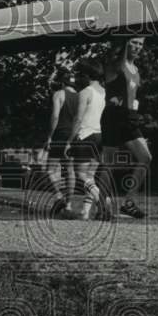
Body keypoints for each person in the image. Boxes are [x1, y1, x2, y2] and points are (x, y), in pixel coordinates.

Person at [97, 36, 150, 219]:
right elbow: (115, 59)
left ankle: (128, 203)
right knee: (109, 163)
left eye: (140, 44)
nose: (137, 46)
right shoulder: (115, 65)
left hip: (130, 117)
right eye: (134, 42)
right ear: (126, 42)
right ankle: (101, 208)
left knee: (145, 158)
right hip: (113, 115)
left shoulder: (136, 70)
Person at [41, 64, 80, 217]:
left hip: (60, 134)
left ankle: (59, 197)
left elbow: (55, 116)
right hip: (73, 135)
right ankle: (68, 206)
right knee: (70, 171)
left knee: (49, 170)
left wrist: (49, 136)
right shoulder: (80, 96)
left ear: (62, 83)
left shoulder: (59, 94)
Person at [69, 61, 106, 220]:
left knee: (81, 174)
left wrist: (69, 140)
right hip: (99, 136)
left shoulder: (85, 92)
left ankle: (101, 200)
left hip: (85, 135)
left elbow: (78, 118)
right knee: (90, 176)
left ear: (86, 75)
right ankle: (85, 211)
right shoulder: (104, 92)